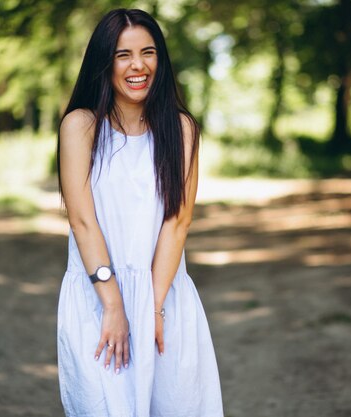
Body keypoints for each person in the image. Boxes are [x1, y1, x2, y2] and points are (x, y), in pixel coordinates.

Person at [55, 8, 224, 417]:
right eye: (123, 55)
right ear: (104, 62)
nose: (138, 65)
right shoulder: (81, 127)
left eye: (148, 53)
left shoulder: (181, 129)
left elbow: (177, 222)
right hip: (97, 299)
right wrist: (114, 306)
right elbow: (82, 221)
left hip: (165, 296)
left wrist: (154, 308)